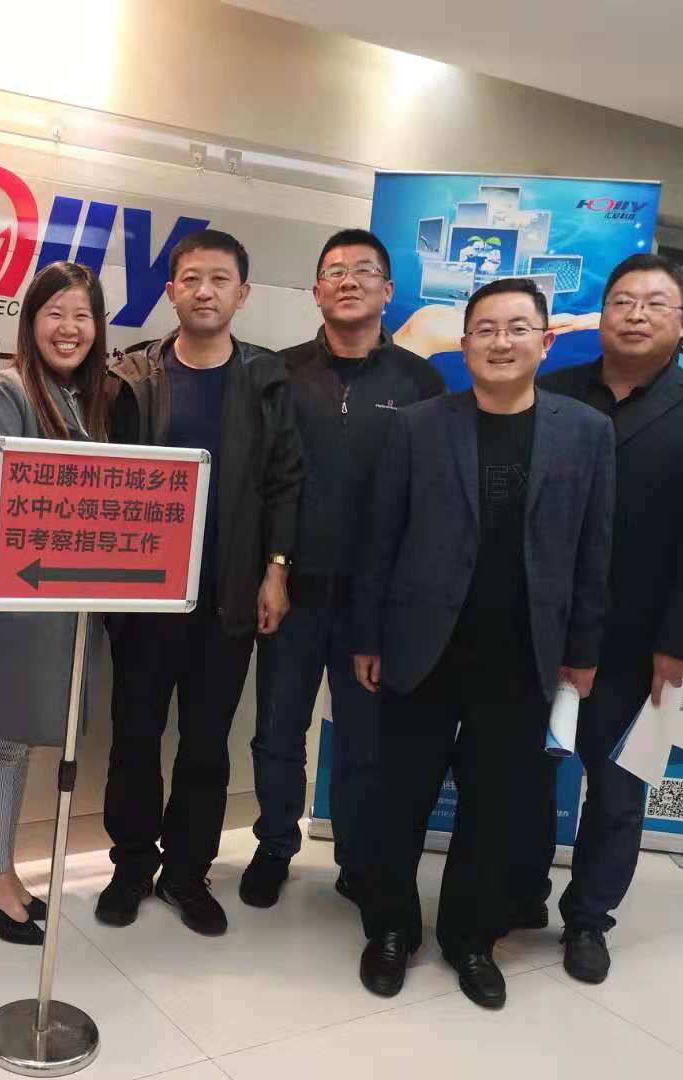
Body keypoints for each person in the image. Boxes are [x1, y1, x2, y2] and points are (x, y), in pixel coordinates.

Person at [351, 277, 614, 1010]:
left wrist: (583, 651)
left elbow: (594, 551)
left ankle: (471, 937)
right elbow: (380, 539)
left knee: (493, 807)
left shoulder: (585, 432)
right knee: (398, 799)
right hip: (422, 646)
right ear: (464, 344)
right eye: (486, 329)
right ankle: (392, 928)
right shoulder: (417, 426)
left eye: (518, 328)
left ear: (546, 341)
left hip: (523, 654)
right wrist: (368, 635)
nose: (502, 342)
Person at [512, 254, 683, 983]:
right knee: (522, 773)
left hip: (639, 641)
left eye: (654, 304)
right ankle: (520, 892)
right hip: (539, 630)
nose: (636, 315)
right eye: (622, 301)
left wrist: (680, 643)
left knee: (616, 789)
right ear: (602, 315)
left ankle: (589, 919)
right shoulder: (549, 392)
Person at [97, 229, 304, 937]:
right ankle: (131, 865)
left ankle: (187, 873)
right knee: (134, 738)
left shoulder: (266, 379)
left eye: (220, 279)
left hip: (228, 596)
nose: (205, 291)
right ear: (171, 291)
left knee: (207, 745)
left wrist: (276, 572)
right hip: (145, 599)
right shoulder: (133, 376)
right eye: (191, 279)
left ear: (242, 294)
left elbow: (285, 483)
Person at [243, 228, 445, 909]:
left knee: (364, 745)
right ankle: (274, 846)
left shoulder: (420, 382)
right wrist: (272, 571)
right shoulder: (279, 374)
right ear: (316, 291)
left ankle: (357, 859)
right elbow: (266, 483)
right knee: (277, 732)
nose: (349, 280)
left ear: (389, 291)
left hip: (374, 608)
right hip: (292, 594)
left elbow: (428, 500)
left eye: (364, 270)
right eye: (335, 271)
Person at [0, 262, 111, 945]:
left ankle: (0, 870)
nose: (69, 329)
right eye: (55, 313)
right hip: (22, 597)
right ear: (30, 321)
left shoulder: (88, 399)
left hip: (70, 603)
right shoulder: (7, 392)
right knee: (4, 741)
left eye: (82, 315)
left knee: (23, 744)